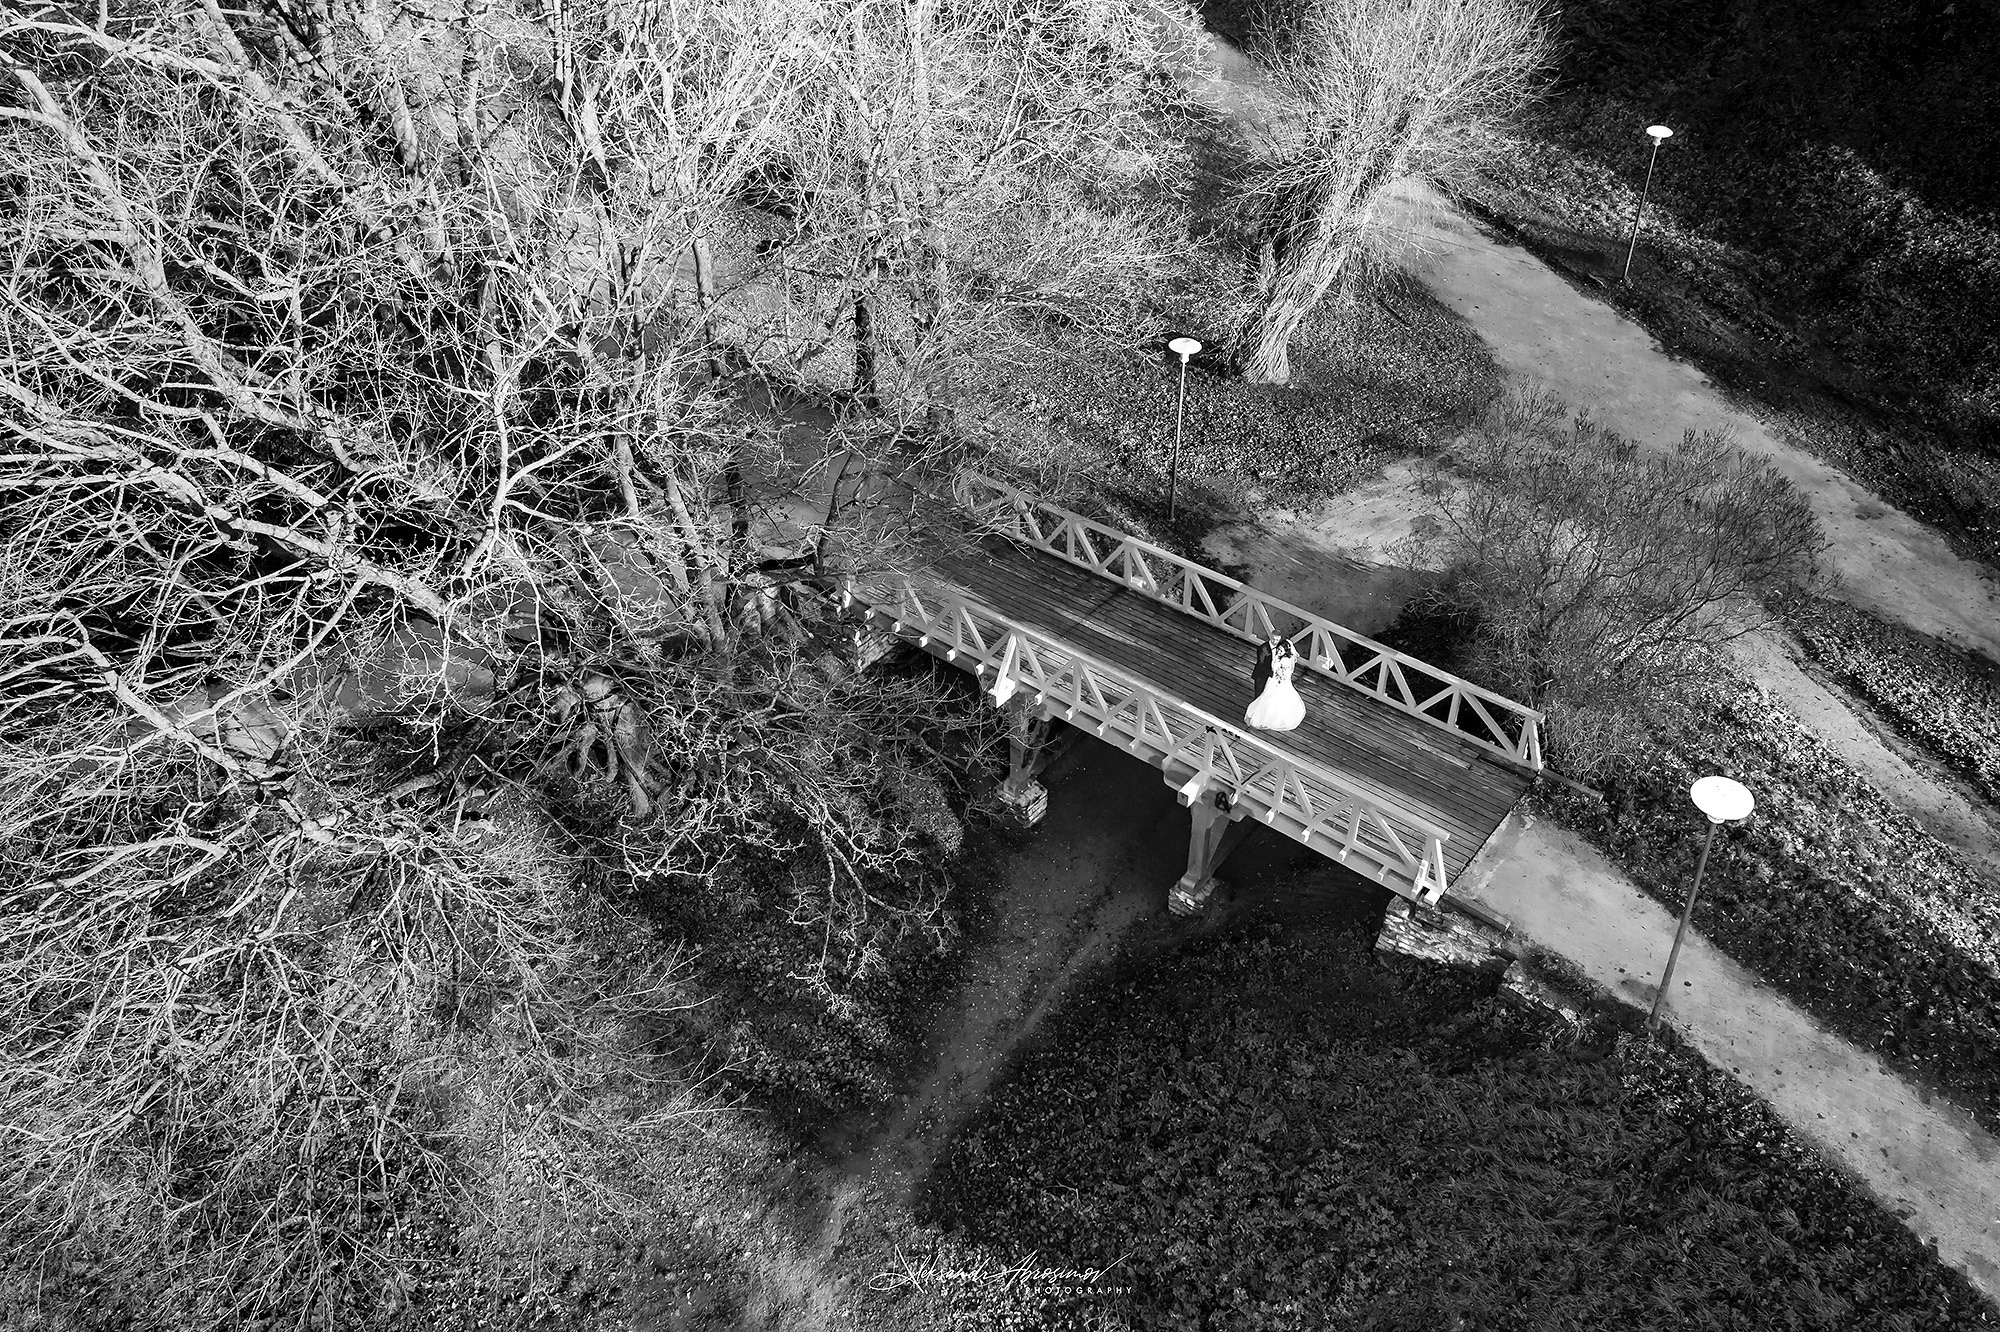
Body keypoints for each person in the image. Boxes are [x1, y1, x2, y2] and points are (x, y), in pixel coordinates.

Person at [1245, 633, 1305, 732]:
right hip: (1268, 678)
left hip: (1278, 681)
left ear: (1286, 651)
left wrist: (1278, 677)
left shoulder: (1285, 660)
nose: (1278, 651)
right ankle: (1260, 715)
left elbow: (1287, 673)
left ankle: (1270, 720)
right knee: (1262, 696)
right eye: (1279, 649)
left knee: (1272, 701)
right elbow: (1261, 664)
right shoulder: (1265, 649)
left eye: (1281, 650)